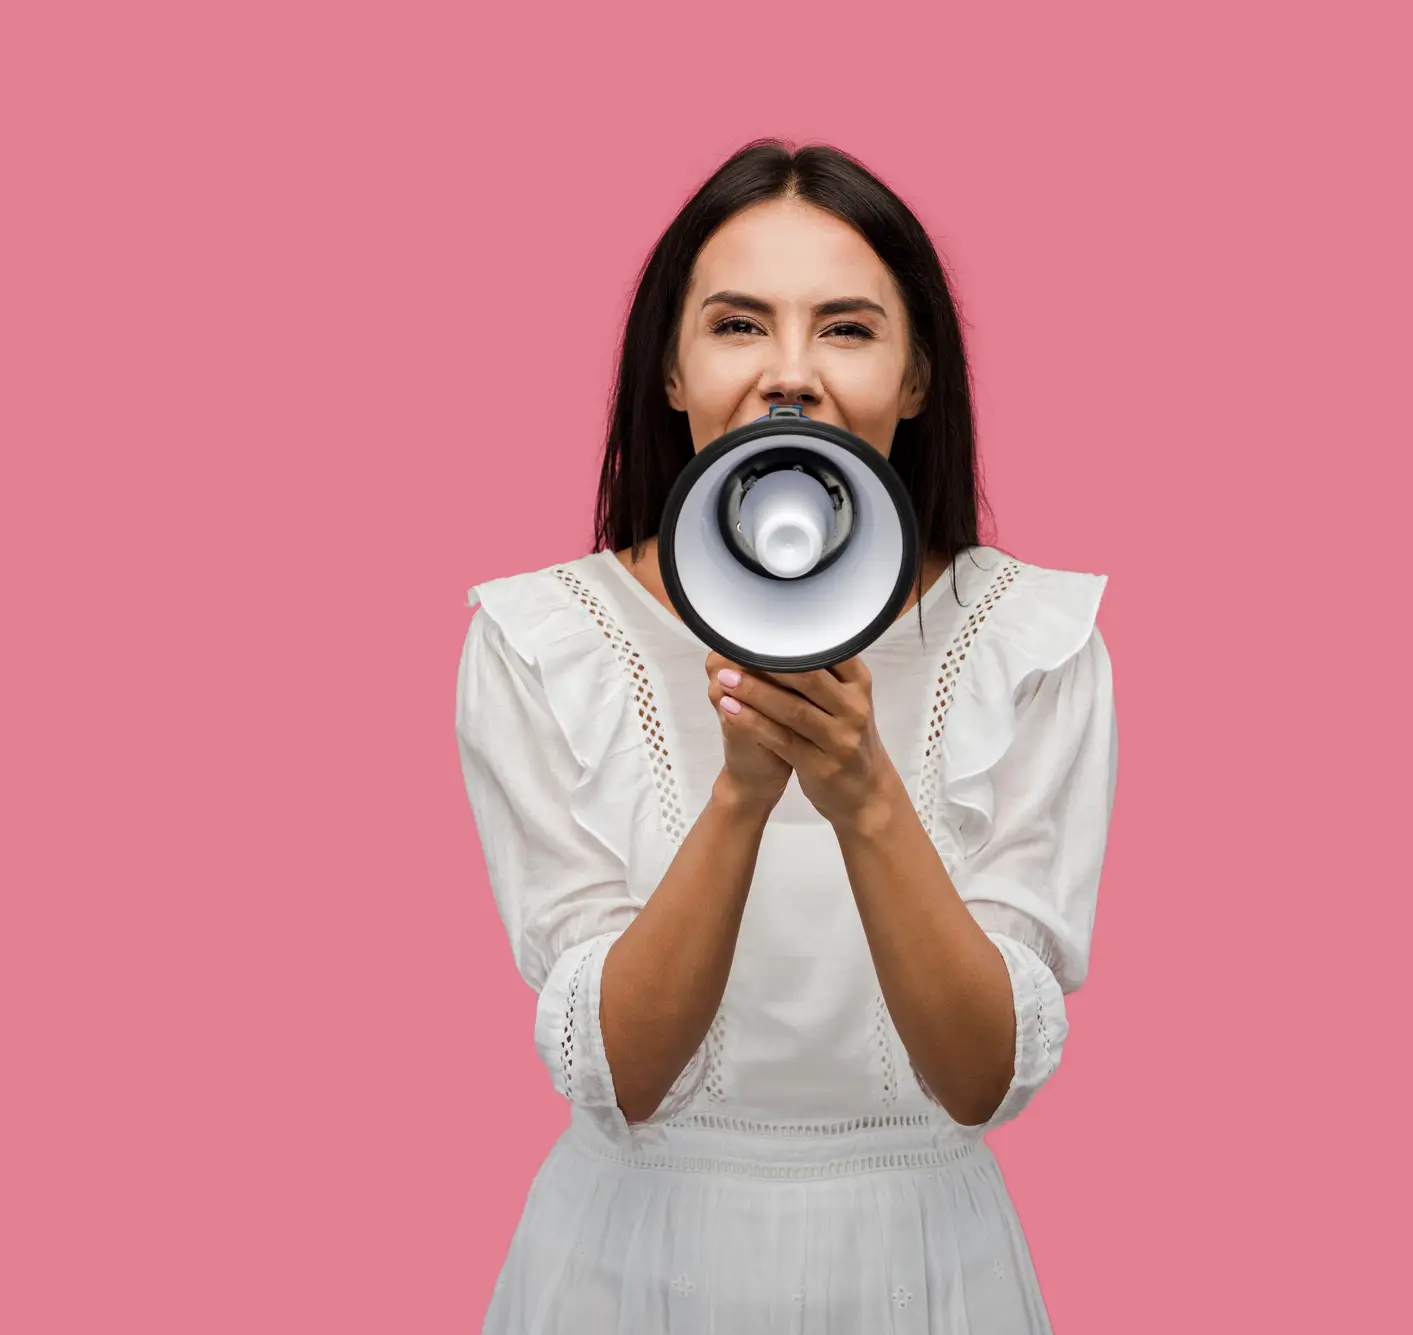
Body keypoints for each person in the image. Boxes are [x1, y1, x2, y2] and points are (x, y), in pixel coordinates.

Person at [453, 139, 1118, 1334]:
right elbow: (620, 1078)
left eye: (848, 329)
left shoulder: (1032, 638)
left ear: (917, 377)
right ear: (670, 366)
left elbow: (977, 1081)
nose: (790, 377)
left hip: (922, 1274)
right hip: (629, 1276)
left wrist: (860, 789)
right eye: (738, 325)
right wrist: (740, 797)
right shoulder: (538, 638)